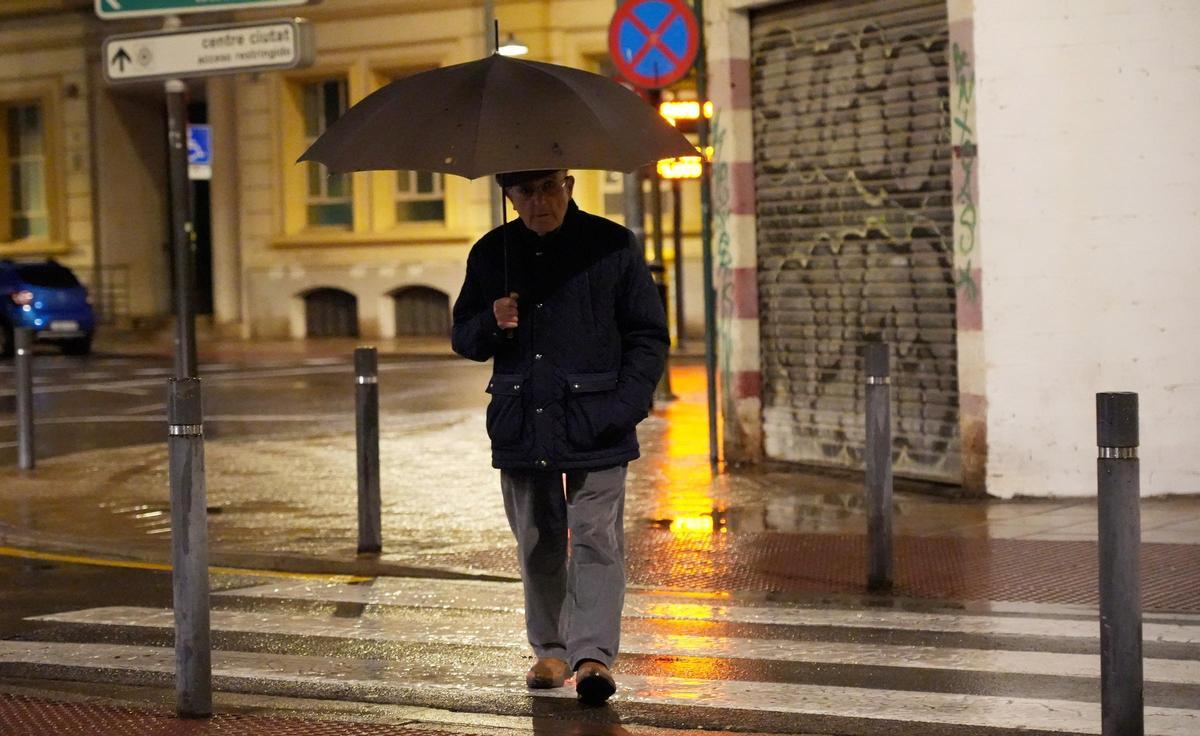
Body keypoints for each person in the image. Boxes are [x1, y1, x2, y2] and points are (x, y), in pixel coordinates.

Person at [451, 169, 668, 704]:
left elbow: (647, 333)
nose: (537, 201)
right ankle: (550, 649)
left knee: (595, 535)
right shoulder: (492, 252)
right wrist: (491, 321)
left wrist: (627, 405)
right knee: (539, 539)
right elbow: (463, 337)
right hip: (525, 422)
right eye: (524, 192)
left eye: (548, 187)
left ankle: (592, 655)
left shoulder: (610, 245)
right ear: (509, 195)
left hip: (598, 421)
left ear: (569, 184)